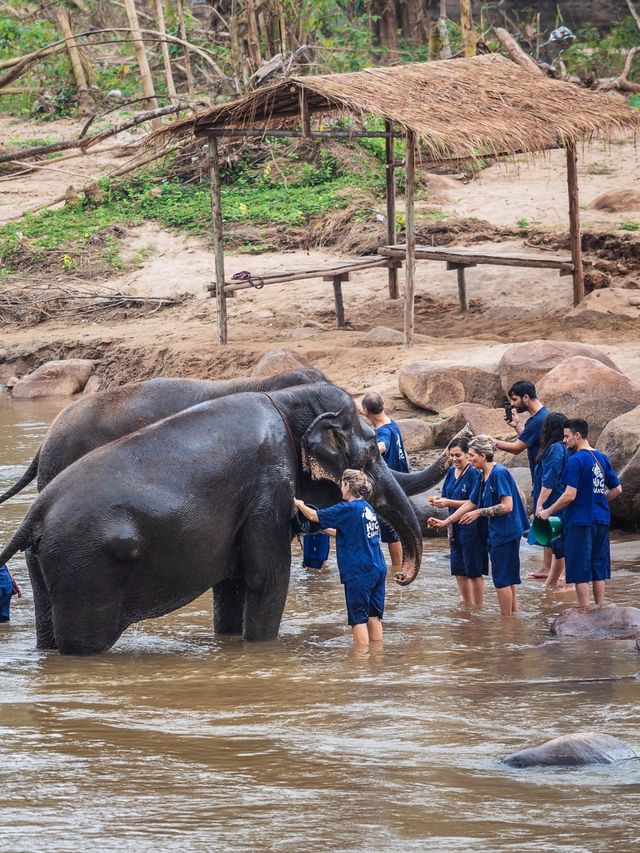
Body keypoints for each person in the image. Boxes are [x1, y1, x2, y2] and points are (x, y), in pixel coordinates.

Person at [429, 436, 529, 616]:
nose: (470, 458)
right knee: (508, 578)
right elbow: (472, 503)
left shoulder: (499, 473)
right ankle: (513, 619)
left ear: (483, 456)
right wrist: (446, 522)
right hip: (498, 532)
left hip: (506, 531)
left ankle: (506, 623)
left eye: (472, 455)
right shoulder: (484, 476)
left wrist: (479, 513)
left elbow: (507, 506)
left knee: (502, 579)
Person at [294, 469, 388, 645]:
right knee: (373, 616)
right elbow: (347, 532)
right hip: (378, 568)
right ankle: (377, 659)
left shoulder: (347, 508)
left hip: (359, 571)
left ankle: (361, 664)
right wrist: (321, 528)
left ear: (347, 485)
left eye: (342, 485)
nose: (341, 488)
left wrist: (298, 504)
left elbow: (314, 515)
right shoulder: (366, 507)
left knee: (358, 620)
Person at [538, 418, 622, 610]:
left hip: (580, 521)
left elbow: (569, 494)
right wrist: (597, 501)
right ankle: (600, 608)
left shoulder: (576, 460)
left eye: (567, 436)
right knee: (599, 567)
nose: (565, 441)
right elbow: (617, 489)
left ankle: (584, 611)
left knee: (579, 568)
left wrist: (547, 511)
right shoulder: (601, 457)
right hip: (601, 520)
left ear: (577, 435)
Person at [493, 380, 549, 578]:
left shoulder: (537, 420)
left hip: (546, 475)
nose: (514, 404)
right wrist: (517, 426)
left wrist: (492, 442)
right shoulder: (542, 416)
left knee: (546, 519)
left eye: (515, 400)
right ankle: (546, 567)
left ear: (526, 397)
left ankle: (552, 569)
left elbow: (518, 447)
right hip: (542, 473)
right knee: (545, 520)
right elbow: (528, 441)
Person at [428, 437, 488, 607]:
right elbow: (447, 496)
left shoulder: (474, 473)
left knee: (474, 571)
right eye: (451, 456)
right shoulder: (450, 473)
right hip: (454, 528)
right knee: (458, 569)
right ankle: (466, 604)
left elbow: (475, 501)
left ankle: (478, 606)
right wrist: (438, 501)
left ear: (468, 455)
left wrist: (448, 503)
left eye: (458, 455)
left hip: (472, 528)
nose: (454, 459)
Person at [360, 391, 409, 574]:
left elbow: (382, 446)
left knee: (391, 532)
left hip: (390, 486)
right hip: (401, 481)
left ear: (366, 411)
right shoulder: (391, 422)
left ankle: (398, 568)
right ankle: (402, 564)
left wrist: (365, 452)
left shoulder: (383, 432)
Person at [531, 412, 569, 590]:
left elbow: (550, 480)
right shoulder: (558, 448)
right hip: (555, 501)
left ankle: (564, 581)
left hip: (554, 502)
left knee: (559, 544)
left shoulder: (555, 449)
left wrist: (539, 505)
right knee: (556, 544)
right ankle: (554, 581)